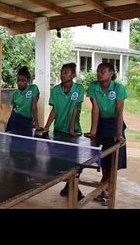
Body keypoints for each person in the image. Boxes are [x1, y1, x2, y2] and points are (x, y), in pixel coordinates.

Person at [84, 62, 127, 206]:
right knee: (105, 163)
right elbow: (95, 110)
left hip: (115, 125)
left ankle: (106, 193)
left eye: (103, 71)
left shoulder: (118, 88)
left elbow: (120, 111)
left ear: (111, 73)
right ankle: (104, 192)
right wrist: (93, 132)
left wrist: (119, 133)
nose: (99, 73)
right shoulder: (93, 87)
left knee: (113, 164)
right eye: (98, 71)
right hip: (102, 125)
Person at [43, 62, 85, 201]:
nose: (62, 74)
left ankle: (72, 187)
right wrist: (47, 126)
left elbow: (74, 109)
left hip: (74, 132)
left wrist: (72, 129)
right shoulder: (55, 90)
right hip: (59, 131)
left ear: (73, 75)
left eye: (66, 72)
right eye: (61, 71)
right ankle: (70, 187)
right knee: (59, 162)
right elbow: (54, 110)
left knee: (76, 163)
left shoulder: (78, 88)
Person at [5, 66, 40, 134]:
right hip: (15, 119)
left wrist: (37, 125)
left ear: (28, 81)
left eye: (23, 80)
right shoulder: (15, 94)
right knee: (14, 142)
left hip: (28, 120)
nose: (19, 83)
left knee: (28, 142)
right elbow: (13, 108)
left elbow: (34, 108)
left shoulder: (33, 88)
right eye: (18, 80)